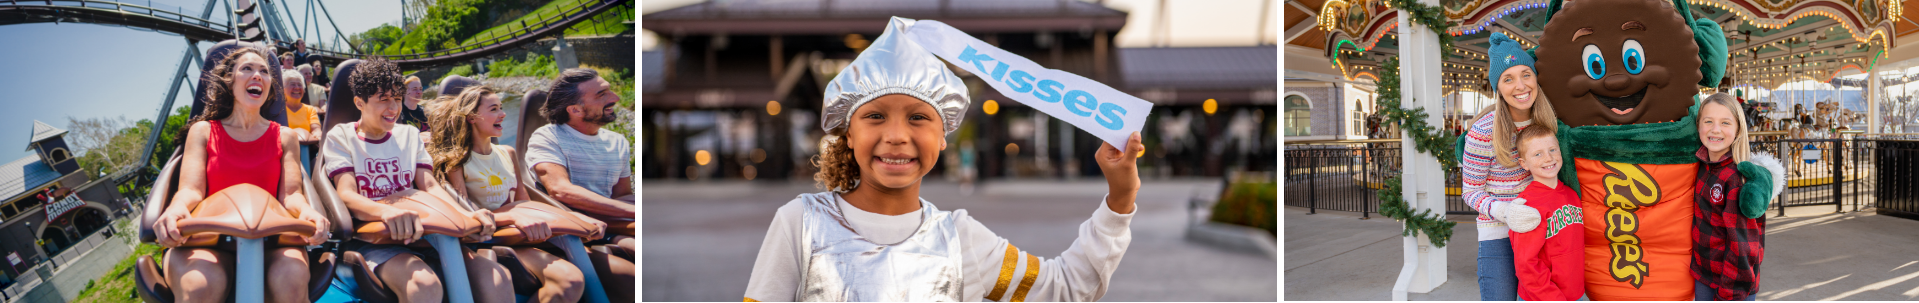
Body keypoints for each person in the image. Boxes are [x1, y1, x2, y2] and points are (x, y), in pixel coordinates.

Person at [741, 17, 1142, 302]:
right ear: (847, 133)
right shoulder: (800, 224)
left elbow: (1066, 288)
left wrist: (1120, 199)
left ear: (944, 137)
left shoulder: (961, 238)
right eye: (875, 116)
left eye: (918, 118)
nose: (897, 136)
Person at [322, 58, 512, 303]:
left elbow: (430, 185)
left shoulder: (409, 135)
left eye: (398, 99)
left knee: (496, 276)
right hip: (375, 241)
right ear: (360, 102)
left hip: (425, 235)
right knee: (424, 285)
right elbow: (347, 194)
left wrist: (466, 214)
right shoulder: (342, 136)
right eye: (383, 99)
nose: (393, 108)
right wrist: (384, 212)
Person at [151, 47, 329, 303]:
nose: (257, 75)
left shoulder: (285, 136)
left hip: (270, 241)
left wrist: (308, 213)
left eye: (264, 72)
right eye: (247, 69)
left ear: (269, 85)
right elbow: (190, 190)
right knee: (200, 286)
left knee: (291, 279)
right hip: (207, 240)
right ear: (229, 81)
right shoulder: (202, 131)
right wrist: (175, 209)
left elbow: (291, 196)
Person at [427, 85, 601, 303]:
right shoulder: (456, 163)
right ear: (472, 117)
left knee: (571, 282)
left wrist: (576, 218)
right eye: (494, 109)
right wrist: (513, 216)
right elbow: (465, 217)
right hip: (488, 239)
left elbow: (524, 203)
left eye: (501, 107)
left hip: (518, 234)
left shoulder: (507, 153)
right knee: (569, 280)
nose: (503, 113)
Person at [525, 68, 636, 302]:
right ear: (575, 109)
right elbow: (561, 190)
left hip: (608, 227)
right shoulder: (547, 137)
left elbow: (622, 195)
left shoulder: (618, 142)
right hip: (568, 234)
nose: (615, 98)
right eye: (602, 95)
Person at [1462, 33, 1555, 301]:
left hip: (1546, 230)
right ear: (1498, 88)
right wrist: (1506, 211)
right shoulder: (1483, 131)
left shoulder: (1551, 123)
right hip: (1499, 235)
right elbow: (1470, 191)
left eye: (1526, 74)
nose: (1520, 85)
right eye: (1508, 79)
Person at [1693, 93, 1780, 301]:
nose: (1715, 129)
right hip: (1704, 274)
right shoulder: (1703, 166)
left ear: (1738, 129)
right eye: (1708, 122)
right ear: (1698, 126)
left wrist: (1728, 294)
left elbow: (1743, 248)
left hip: (1731, 287)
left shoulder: (1736, 180)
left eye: (1725, 123)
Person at [1508, 126, 1583, 302]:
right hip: (1541, 296)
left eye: (1552, 150)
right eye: (1538, 154)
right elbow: (1526, 264)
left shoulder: (1572, 195)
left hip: (1574, 292)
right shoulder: (1526, 206)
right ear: (1523, 163)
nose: (1548, 158)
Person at [282, 69, 321, 144]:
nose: (297, 87)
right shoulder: (278, 109)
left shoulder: (310, 109)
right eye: (292, 84)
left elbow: (316, 129)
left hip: (307, 149)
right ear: (283, 89)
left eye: (300, 85)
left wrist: (318, 135)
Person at [400, 76, 432, 142]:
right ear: (404, 92)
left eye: (420, 89)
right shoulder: (398, 113)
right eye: (415, 89)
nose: (419, 92)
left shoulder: (426, 112)